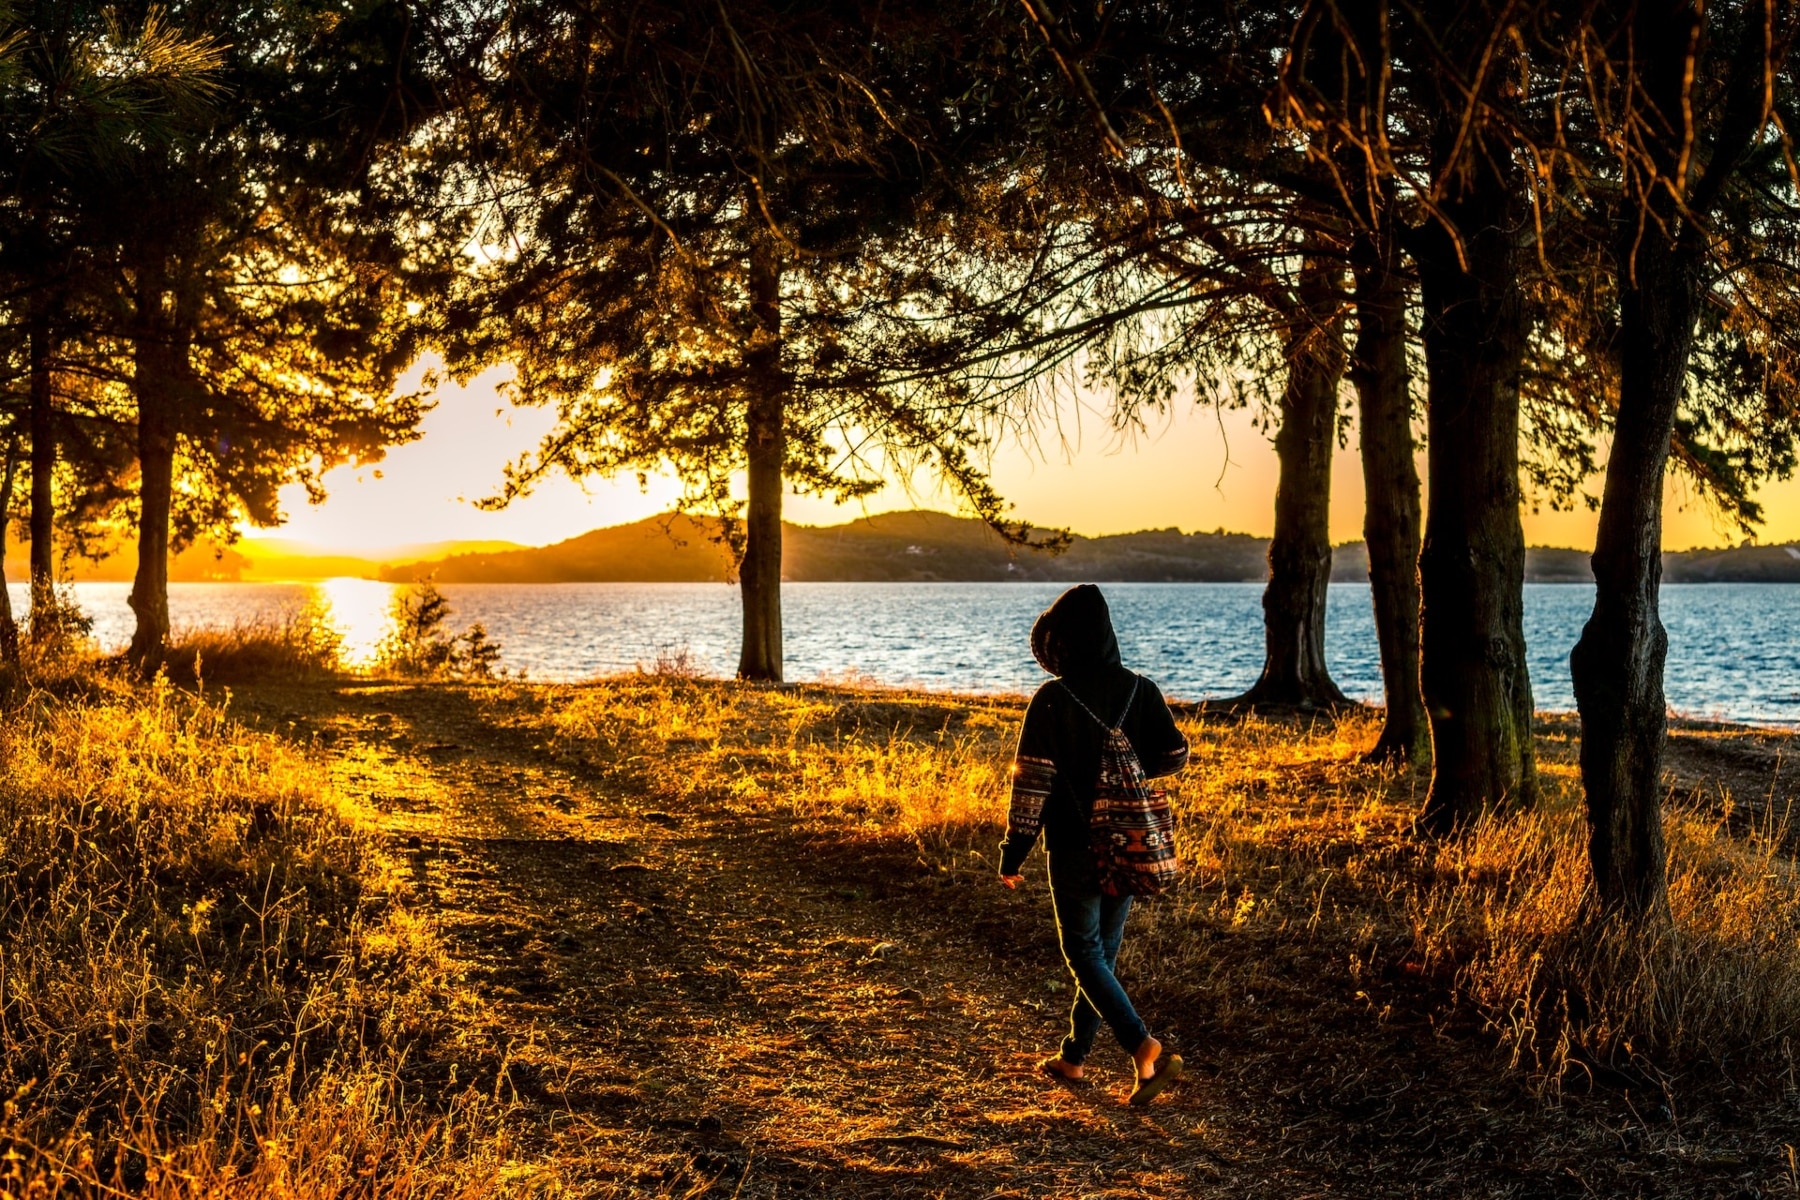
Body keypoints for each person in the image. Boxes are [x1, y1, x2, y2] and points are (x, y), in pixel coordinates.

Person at [999, 583, 1190, 1105]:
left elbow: (1031, 783)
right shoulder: (1140, 690)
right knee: (1101, 954)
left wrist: (1013, 852)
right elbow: (1175, 755)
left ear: (1060, 642)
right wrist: (1127, 772)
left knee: (1083, 952)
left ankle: (1143, 1046)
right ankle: (1073, 1058)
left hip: (1073, 844)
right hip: (1129, 840)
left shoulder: (1053, 699)